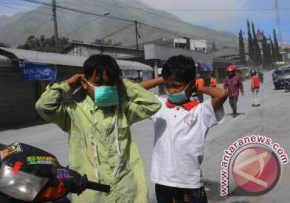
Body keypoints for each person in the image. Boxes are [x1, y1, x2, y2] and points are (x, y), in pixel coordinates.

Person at [35, 54, 161, 203]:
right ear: (85, 83)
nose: (104, 88)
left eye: (110, 84)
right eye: (98, 83)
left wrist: (123, 82)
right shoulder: (74, 112)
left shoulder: (123, 110)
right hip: (92, 194)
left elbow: (153, 104)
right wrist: (68, 84)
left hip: (127, 191)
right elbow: (43, 106)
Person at [141, 55, 228, 203]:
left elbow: (222, 94)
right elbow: (135, 90)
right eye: (167, 86)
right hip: (163, 181)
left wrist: (198, 87)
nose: (171, 90)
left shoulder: (201, 111)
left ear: (190, 84)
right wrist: (163, 78)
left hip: (190, 182)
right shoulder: (159, 106)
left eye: (176, 86)